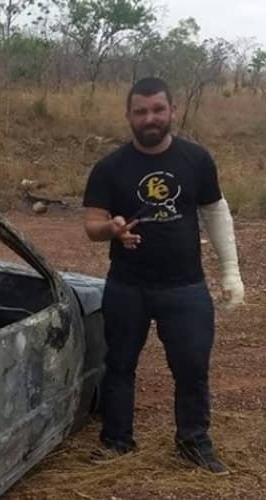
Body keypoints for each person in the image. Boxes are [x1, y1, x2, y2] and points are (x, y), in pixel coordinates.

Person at [82, 77, 245, 475]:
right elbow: (92, 224)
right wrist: (113, 229)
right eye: (141, 111)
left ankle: (193, 442)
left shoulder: (197, 160)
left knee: (192, 367)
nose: (149, 118)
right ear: (128, 116)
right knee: (118, 365)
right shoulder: (109, 168)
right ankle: (117, 441)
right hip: (127, 286)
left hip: (185, 287)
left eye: (158, 109)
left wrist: (230, 272)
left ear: (172, 111)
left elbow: (215, 213)